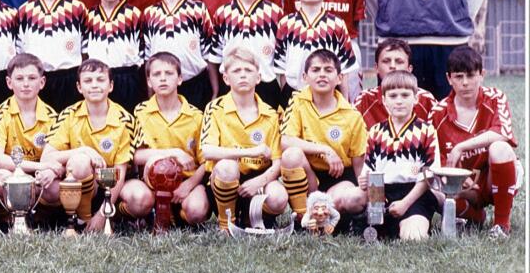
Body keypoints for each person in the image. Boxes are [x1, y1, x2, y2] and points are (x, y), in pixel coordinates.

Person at [428, 46, 520, 237]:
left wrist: (461, 147)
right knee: (434, 189)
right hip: (462, 187)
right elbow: (433, 157)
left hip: (493, 178)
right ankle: (474, 216)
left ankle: (501, 224)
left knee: (500, 148)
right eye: (459, 76)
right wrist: (458, 178)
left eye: (471, 75)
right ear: (449, 78)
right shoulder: (437, 113)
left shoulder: (495, 98)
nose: (465, 83)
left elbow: (503, 133)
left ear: (482, 75)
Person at [40, 58, 139, 234]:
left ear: (111, 86)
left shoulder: (125, 120)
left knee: (141, 199)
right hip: (81, 183)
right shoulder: (68, 115)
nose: (94, 85)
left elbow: (120, 173)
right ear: (79, 87)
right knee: (79, 162)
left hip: (112, 186)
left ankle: (112, 217)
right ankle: (80, 219)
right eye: (88, 80)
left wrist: (101, 215)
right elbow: (46, 158)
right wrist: (83, 150)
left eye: (100, 80)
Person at [201, 45, 286, 233]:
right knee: (227, 167)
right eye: (237, 71)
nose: (243, 75)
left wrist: (260, 181)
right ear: (226, 78)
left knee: (279, 197)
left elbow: (278, 162)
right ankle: (226, 224)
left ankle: (251, 216)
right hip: (225, 181)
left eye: (248, 70)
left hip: (258, 181)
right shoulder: (214, 108)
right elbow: (207, 150)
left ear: (258, 77)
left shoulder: (271, 114)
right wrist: (250, 152)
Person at [277, 49, 367, 223]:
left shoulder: (351, 115)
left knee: (355, 197)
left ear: (339, 78)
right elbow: (285, 141)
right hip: (309, 177)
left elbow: (359, 163)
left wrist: (364, 195)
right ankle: (304, 218)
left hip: (339, 178)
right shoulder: (297, 101)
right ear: (305, 77)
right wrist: (325, 150)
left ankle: (327, 217)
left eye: (328, 70)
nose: (322, 75)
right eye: (316, 70)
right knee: (291, 155)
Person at [123, 52, 211, 228]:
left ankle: (177, 216)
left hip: (185, 183)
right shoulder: (140, 112)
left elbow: (206, 161)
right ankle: (129, 215)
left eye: (169, 73)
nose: (163, 78)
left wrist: (190, 184)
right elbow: (136, 156)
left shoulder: (196, 116)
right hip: (151, 185)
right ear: (149, 81)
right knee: (139, 200)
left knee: (196, 211)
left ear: (180, 79)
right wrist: (174, 153)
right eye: (156, 74)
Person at [0, 54, 60, 229]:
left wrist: (50, 171)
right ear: (9, 83)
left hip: (38, 178)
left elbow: (57, 161)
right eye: (19, 78)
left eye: (32, 78)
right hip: (11, 173)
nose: (26, 84)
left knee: (56, 188)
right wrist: (39, 166)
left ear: (42, 82)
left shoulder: (52, 117)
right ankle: (7, 220)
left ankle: (40, 218)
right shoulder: (0, 114)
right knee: (0, 178)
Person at [360, 71, 440, 240]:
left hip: (415, 195)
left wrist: (405, 203)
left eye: (405, 95)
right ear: (384, 100)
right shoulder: (375, 131)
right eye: (393, 96)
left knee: (413, 237)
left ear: (415, 98)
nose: (399, 101)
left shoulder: (426, 131)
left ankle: (414, 223)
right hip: (382, 194)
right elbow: (369, 169)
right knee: (374, 235)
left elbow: (429, 175)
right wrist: (363, 179)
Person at [139, 0, 217, 110]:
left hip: (195, 84)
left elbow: (210, 55)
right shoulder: (149, 14)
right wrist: (150, 93)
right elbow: (148, 58)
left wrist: (215, 90)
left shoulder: (198, 10)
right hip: (162, 87)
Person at [273, 0, 358, 104]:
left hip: (328, 94)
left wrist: (344, 102)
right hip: (294, 94)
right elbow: (282, 70)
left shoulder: (337, 24)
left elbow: (344, 69)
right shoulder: (286, 24)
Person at [209, 0, 285, 108]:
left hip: (265, 86)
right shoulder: (222, 14)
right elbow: (214, 58)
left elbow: (283, 62)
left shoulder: (275, 14)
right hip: (230, 85)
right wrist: (216, 91)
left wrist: (283, 96)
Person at [16, 0, 87, 112]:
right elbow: (19, 49)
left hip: (69, 78)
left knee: (69, 122)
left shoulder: (77, 8)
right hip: (36, 78)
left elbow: (86, 48)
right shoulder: (25, 11)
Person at [83, 0, 144, 112]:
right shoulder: (88, 16)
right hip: (98, 79)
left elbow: (144, 54)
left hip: (128, 79)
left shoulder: (134, 14)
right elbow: (83, 52)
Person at [354, 39, 439, 129]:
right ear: (376, 68)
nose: (393, 66)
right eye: (386, 61)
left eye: (399, 61)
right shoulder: (364, 100)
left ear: (409, 69)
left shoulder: (426, 100)